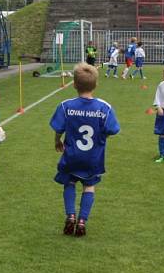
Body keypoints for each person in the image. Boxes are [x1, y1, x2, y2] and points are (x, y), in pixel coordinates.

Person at [49, 63, 120, 237]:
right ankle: (82, 221)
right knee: (89, 186)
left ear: (74, 84)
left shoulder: (66, 106)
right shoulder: (104, 107)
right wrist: (101, 138)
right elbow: (113, 129)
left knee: (69, 182)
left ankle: (70, 215)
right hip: (93, 157)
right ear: (96, 85)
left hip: (72, 155)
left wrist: (58, 140)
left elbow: (59, 128)